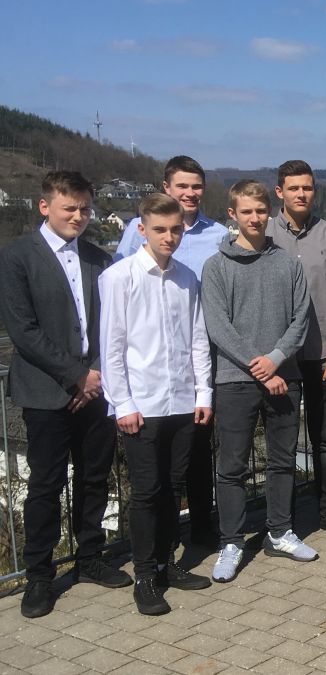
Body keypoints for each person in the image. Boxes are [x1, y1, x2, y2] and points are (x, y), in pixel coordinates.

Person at [0, 171, 130, 619]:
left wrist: (94, 374)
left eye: (85, 209)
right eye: (69, 208)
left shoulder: (99, 257)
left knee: (95, 477)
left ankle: (90, 557)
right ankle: (39, 576)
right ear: (45, 207)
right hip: (46, 391)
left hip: (94, 389)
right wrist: (76, 375)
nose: (78, 216)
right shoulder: (17, 257)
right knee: (45, 485)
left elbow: (112, 323)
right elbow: (24, 332)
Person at [99, 193, 213, 614]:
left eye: (176, 229)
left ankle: (167, 565)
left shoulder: (187, 277)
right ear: (141, 229)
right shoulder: (119, 277)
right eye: (161, 229)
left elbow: (198, 340)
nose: (170, 237)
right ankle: (145, 576)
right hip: (141, 406)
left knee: (173, 488)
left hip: (182, 401)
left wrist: (204, 394)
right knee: (146, 492)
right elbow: (111, 348)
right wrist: (122, 403)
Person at [204, 180, 312, 582]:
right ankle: (231, 541)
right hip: (235, 380)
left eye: (260, 211)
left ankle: (280, 532)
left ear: (270, 213)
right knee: (231, 466)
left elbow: (301, 320)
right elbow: (218, 326)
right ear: (232, 214)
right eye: (246, 211)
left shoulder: (288, 264)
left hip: (285, 377)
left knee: (283, 461)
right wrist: (258, 365)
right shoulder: (216, 266)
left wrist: (276, 360)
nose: (254, 218)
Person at [114, 155, 224, 548]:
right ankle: (156, 551)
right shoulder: (135, 233)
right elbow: (122, 301)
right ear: (166, 188)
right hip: (150, 366)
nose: (190, 193)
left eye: (196, 186)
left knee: (197, 454)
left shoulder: (219, 234)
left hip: (201, 359)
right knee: (154, 474)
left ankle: (200, 530)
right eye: (182, 186)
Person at [266, 160, 326, 541]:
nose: (301, 194)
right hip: (283, 360)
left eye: (307, 188)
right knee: (284, 444)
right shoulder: (266, 233)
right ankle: (283, 522)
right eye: (294, 188)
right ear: (280, 192)